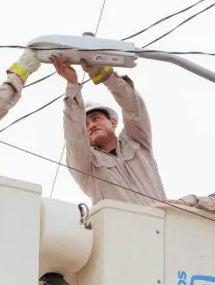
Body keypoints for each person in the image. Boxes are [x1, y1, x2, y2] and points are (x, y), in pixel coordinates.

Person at [50, 54, 166, 206]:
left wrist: (106, 76)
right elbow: (75, 137)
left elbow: (134, 109)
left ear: (113, 122)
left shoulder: (138, 143)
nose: (90, 125)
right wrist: (72, 84)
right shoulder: (86, 167)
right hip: (122, 229)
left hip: (164, 226)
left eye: (96, 118)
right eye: (85, 125)